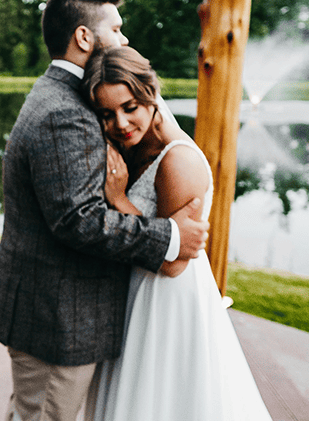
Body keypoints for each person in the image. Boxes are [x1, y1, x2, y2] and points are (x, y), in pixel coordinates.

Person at [0, 0, 210, 421]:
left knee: (30, 412)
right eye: (117, 29)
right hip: (58, 318)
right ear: (85, 37)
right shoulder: (67, 110)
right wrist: (170, 237)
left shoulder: (60, 95)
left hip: (48, 309)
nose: (124, 39)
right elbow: (77, 220)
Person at [82, 46, 273, 421]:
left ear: (151, 96)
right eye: (107, 114)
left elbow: (173, 263)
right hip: (135, 292)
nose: (120, 123)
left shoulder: (177, 161)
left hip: (165, 302)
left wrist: (119, 198)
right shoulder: (132, 147)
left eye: (129, 107)